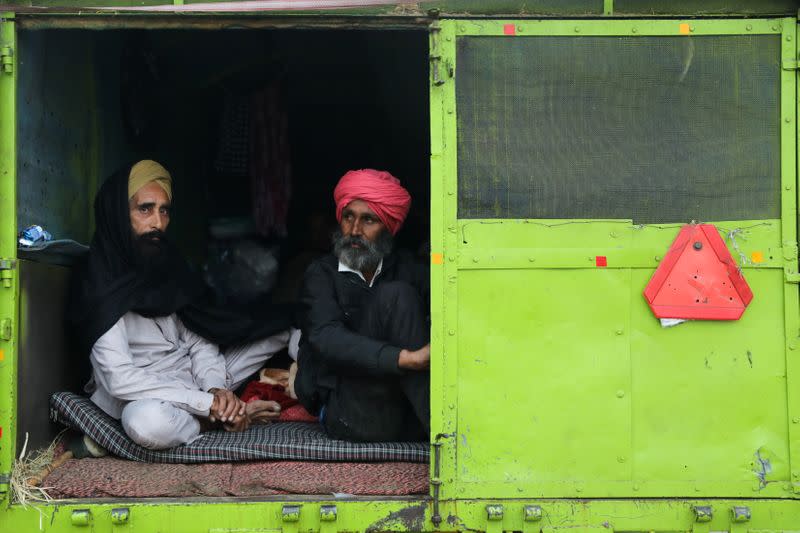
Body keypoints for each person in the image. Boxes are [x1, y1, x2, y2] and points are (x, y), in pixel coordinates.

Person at [68, 160, 293, 450]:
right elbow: (119, 378)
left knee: (289, 322)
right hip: (145, 396)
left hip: (198, 382)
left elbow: (200, 342)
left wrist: (217, 390)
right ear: (117, 215)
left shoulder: (167, 265)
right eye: (145, 209)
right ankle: (218, 421)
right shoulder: (97, 280)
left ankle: (241, 408)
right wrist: (207, 406)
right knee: (146, 424)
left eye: (164, 211)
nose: (158, 223)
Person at [294, 169, 430, 442]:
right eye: (348, 217)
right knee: (396, 296)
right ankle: (447, 433)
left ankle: (442, 425)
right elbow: (326, 337)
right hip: (351, 413)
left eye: (368, 220)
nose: (354, 231)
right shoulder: (321, 274)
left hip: (403, 412)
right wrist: (405, 359)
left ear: (389, 227)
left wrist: (439, 257)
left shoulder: (408, 269)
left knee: (404, 294)